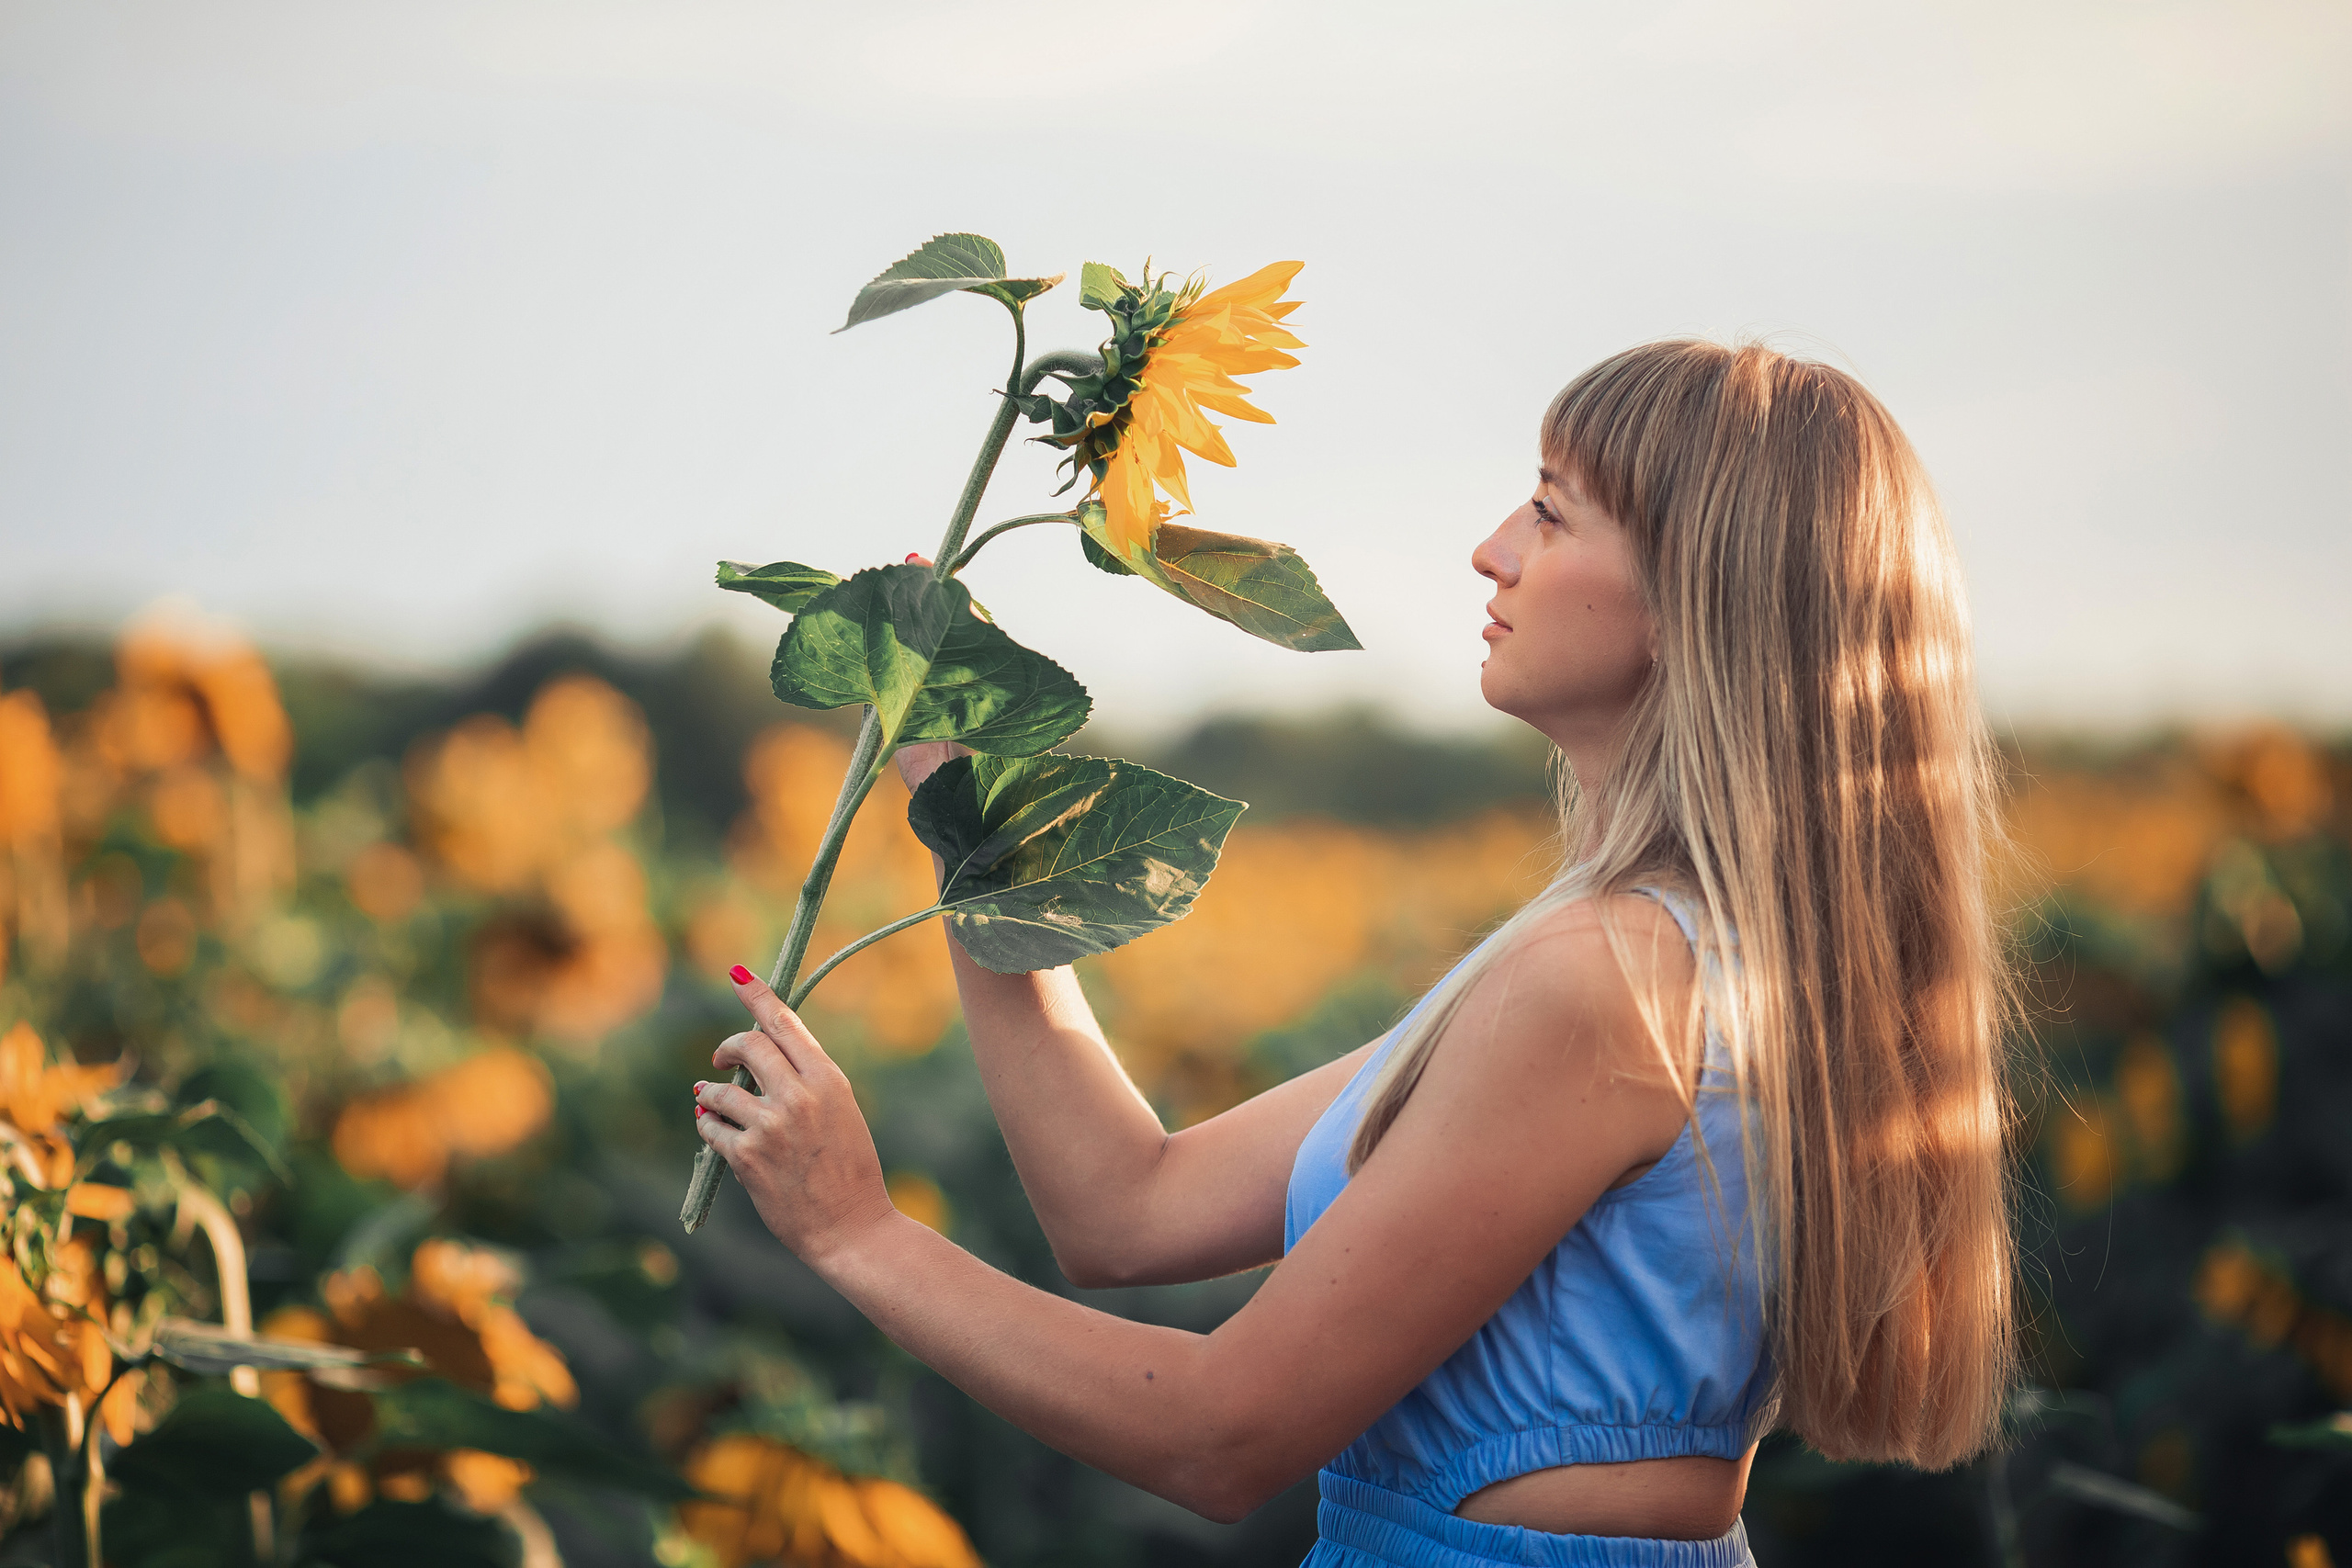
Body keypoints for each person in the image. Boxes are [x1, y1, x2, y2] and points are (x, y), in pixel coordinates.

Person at [692, 339, 2019, 1566]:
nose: (1491, 549)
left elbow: (1220, 1435)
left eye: (1553, 512)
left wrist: (854, 1232)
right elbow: (1127, 1208)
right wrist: (964, 815)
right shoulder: (1674, 955)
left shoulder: (1610, 985)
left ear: (1695, 600)